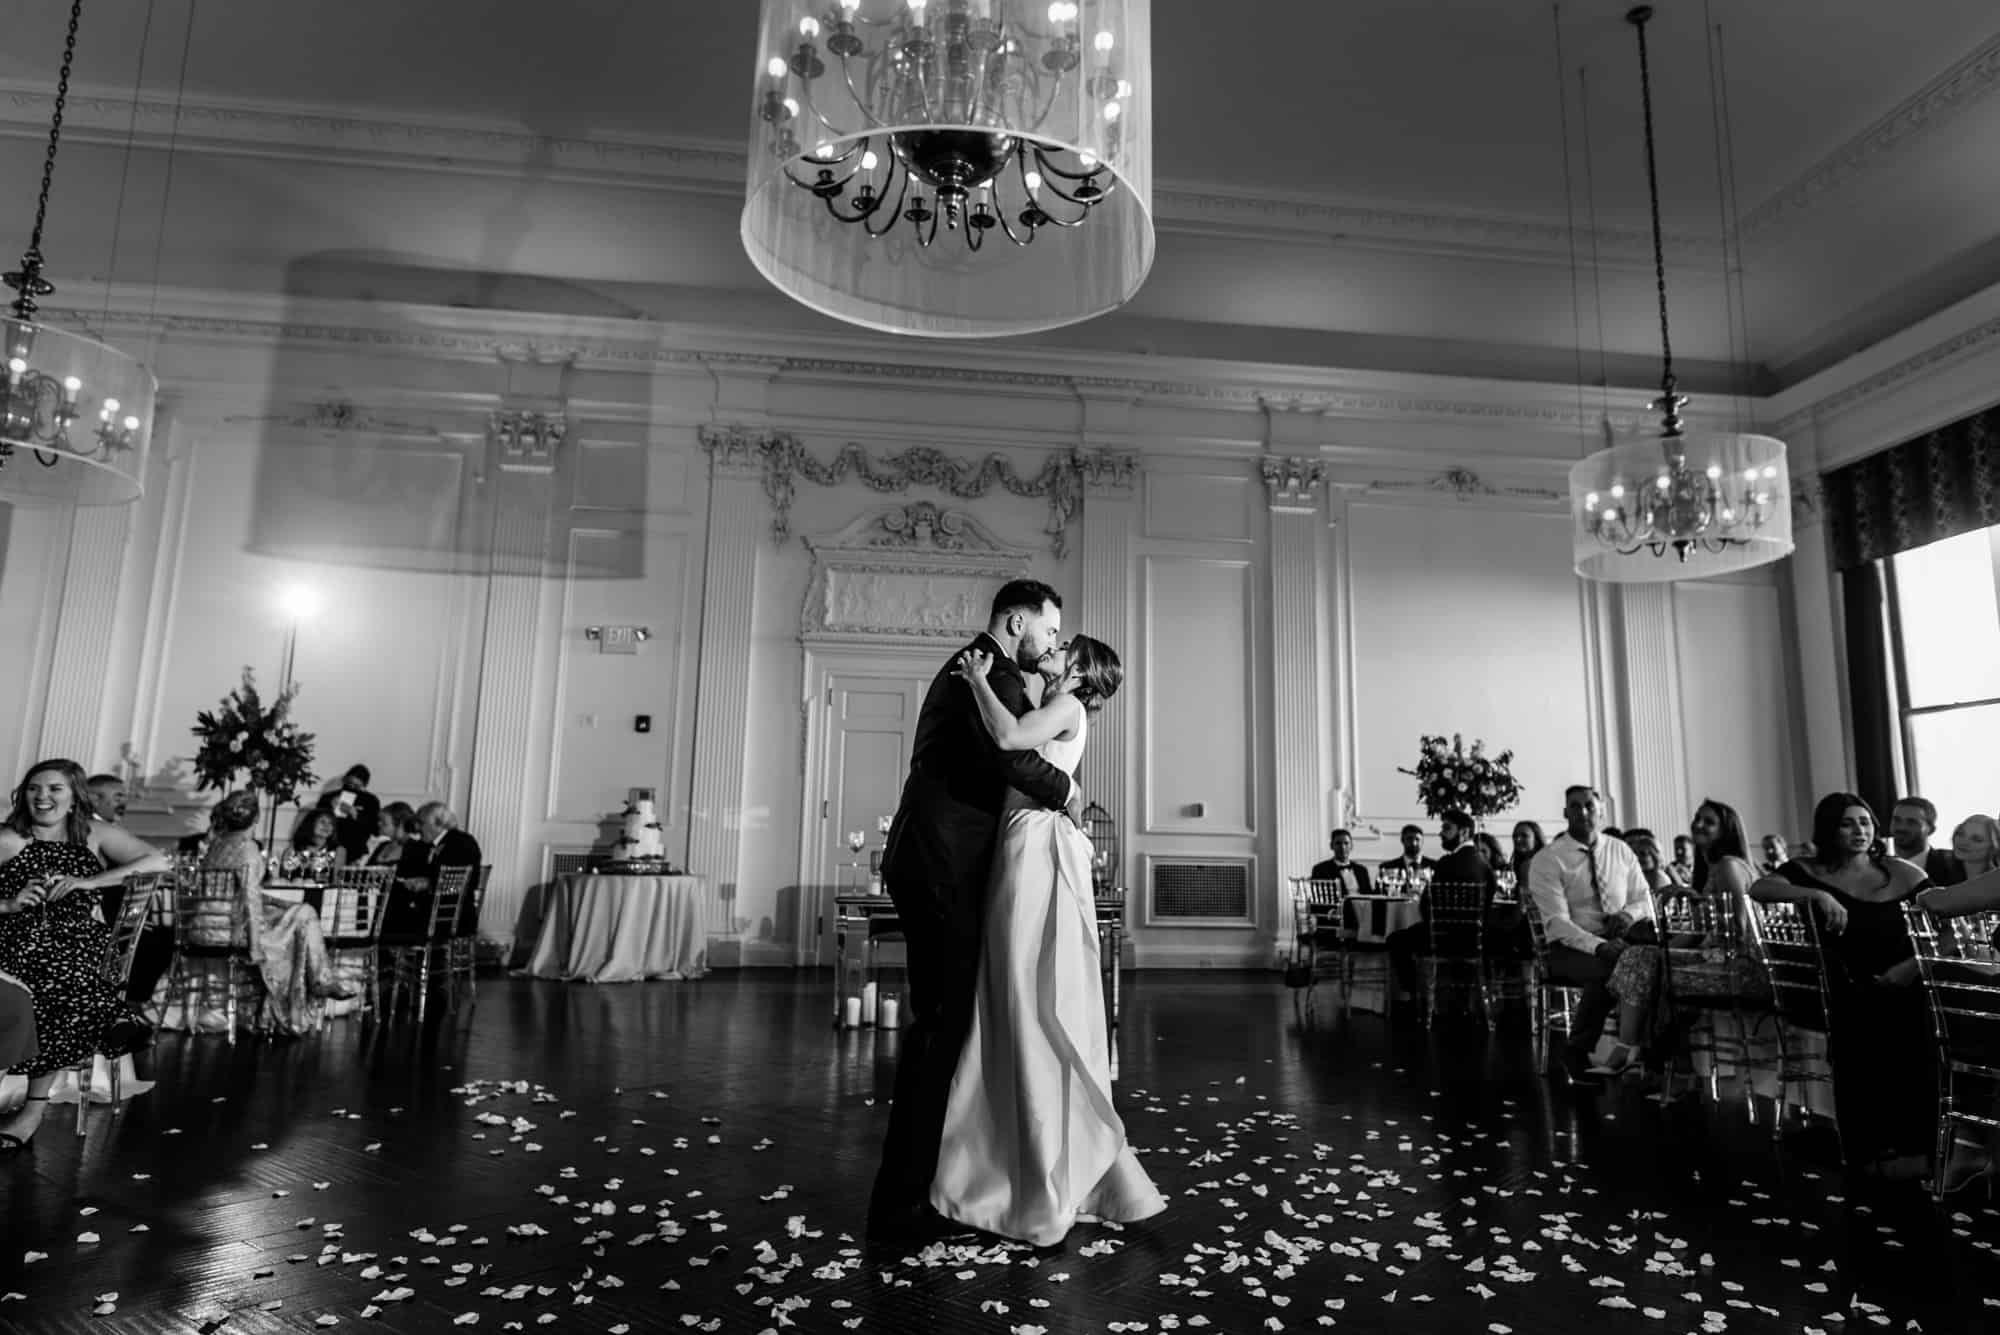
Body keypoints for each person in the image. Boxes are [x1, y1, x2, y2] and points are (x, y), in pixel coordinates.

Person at [929, 633, 1163, 1246]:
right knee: (1017, 988)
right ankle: (1036, 1155)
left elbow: (1008, 740)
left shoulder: (1068, 707)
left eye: (1065, 649)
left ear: (1081, 670)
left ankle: (1037, 1169)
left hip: (1032, 845)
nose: (1052, 651)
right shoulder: (1055, 703)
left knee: (1020, 988)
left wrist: (979, 680)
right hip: (1028, 836)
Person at [867, 579, 1083, 1243]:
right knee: (940, 1026)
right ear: (1017, 622)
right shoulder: (984, 672)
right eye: (1047, 630)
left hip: (936, 860)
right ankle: (903, 1204)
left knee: (946, 1023)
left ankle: (925, 1187)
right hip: (940, 865)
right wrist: (1070, 790)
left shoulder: (984, 669)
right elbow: (1014, 755)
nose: (1051, 642)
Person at [1750, 792, 1933, 1180]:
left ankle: (1914, 1151)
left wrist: (1912, 966)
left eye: (1865, 822)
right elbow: (1759, 889)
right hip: (1846, 990)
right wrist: (1815, 894)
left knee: (1907, 1026)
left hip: (1903, 984)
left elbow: (1944, 930)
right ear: (1830, 829)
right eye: (1848, 823)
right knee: (1857, 1022)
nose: (1859, 831)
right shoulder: (1809, 871)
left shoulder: (1903, 873)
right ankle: (1866, 1151)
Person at [0, 759, 166, 1152]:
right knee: (66, 981)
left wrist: (89, 881)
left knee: (72, 975)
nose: (43, 797)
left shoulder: (94, 834)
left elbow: (159, 861)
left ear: (75, 796)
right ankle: (112, 1015)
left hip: (80, 940)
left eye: (54, 788)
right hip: (18, 935)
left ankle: (33, 1111)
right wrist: (9, 902)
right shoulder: (9, 838)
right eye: (34, 788)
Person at [1525, 784, 1656, 1084]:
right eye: (1575, 806)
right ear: (1565, 813)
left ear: (1602, 811)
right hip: (1568, 948)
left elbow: (1643, 898)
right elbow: (1557, 923)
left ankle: (1651, 1055)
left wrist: (1627, 914)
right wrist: (1598, 946)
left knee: (1654, 963)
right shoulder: (1549, 859)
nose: (1583, 812)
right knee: (1610, 969)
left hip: (1622, 939)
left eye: (1589, 805)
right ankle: (1576, 1049)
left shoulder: (1619, 850)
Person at [196, 790, 352, 1036]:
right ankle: (317, 984)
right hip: (230, 929)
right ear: (256, 819)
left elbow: (245, 892)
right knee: (305, 915)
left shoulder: (218, 844)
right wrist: (256, 946)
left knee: (300, 912)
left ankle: (318, 982)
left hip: (202, 926)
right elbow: (250, 900)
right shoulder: (248, 849)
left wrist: (282, 905)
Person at [1386, 809, 1495, 1002]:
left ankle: (1415, 994)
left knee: (1395, 939)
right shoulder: (1486, 865)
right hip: (1477, 940)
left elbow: (1427, 905)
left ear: (1464, 832)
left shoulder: (1446, 863)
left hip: (1444, 939)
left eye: (1447, 828)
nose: (1441, 833)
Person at [314, 765, 382, 864]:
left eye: (356, 786)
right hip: (328, 848)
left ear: (364, 785)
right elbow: (314, 822)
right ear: (344, 780)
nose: (351, 788)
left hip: (355, 851)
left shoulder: (370, 801)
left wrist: (356, 814)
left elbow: (376, 830)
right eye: (349, 784)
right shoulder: (329, 797)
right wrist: (329, 808)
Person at [1890, 795, 1962, 885]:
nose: (1902, 827)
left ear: (1931, 830)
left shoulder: (1954, 865)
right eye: (1897, 820)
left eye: (1912, 822)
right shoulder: (1880, 868)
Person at [1308, 828, 1372, 894]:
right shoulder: (1320, 870)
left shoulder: (1362, 870)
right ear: (1331, 846)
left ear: (1352, 846)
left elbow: (1370, 895)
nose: (1343, 847)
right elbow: (1319, 899)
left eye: (1346, 843)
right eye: (1338, 843)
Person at [287, 809, 349, 873]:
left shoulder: (339, 850)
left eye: (331, 823)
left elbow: (336, 880)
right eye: (322, 822)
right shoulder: (295, 848)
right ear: (311, 824)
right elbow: (285, 875)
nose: (327, 826)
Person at [367, 801, 418, 868]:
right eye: (379, 820)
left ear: (400, 825)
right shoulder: (383, 845)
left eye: (384, 822)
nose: (379, 824)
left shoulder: (415, 848)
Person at [1948, 814, 1998, 880]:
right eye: (1961, 834)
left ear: (1993, 846)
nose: (1963, 842)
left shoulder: (1995, 881)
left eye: (1976, 839)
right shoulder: (1939, 870)